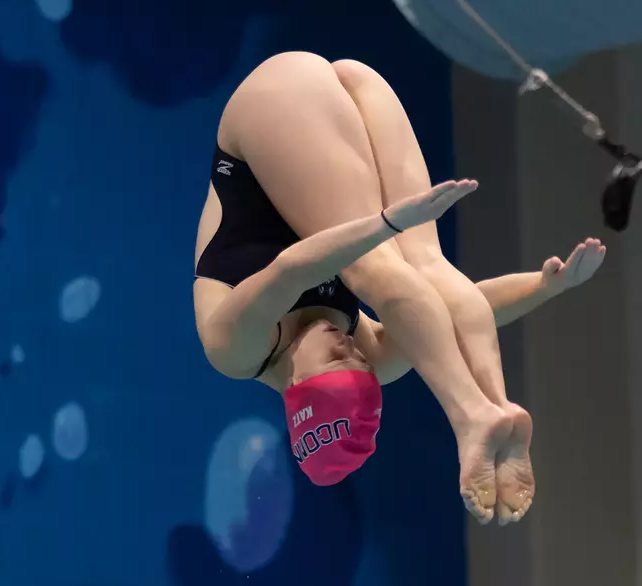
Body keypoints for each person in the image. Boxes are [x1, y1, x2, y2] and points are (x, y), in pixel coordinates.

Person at [193, 52, 606, 525]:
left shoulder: (236, 350)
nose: (350, 346)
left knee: (374, 266)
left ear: (296, 387)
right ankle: (496, 407)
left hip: (275, 100)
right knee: (428, 266)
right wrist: (543, 287)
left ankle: (469, 415)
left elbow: (291, 269)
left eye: (336, 360)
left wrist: (385, 224)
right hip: (352, 91)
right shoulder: (368, 354)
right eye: (359, 362)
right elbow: (450, 316)